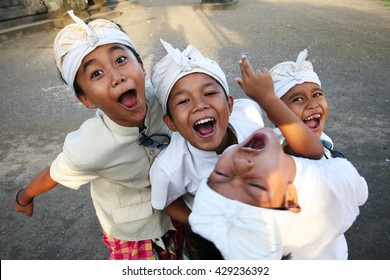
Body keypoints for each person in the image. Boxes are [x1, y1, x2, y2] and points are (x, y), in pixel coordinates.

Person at [13, 10, 179, 260]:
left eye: (120, 59)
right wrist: (24, 197)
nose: (116, 76)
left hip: (176, 214)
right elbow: (54, 173)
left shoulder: (167, 99)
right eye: (96, 74)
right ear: (85, 99)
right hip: (135, 234)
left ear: (142, 66)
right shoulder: (88, 146)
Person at [149, 40, 323, 258]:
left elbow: (314, 153)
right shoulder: (170, 167)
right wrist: (195, 221)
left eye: (210, 93)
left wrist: (267, 98)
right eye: (183, 101)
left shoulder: (249, 113)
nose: (199, 105)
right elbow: (164, 201)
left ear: (230, 105)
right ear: (171, 123)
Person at [189, 127, 368, 259]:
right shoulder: (338, 179)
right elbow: (362, 194)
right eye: (256, 185)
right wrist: (269, 99)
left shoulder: (234, 153)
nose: (241, 164)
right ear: (290, 196)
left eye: (221, 175)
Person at [269, 49, 344, 159]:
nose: (313, 105)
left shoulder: (334, 158)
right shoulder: (268, 165)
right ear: (275, 116)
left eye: (317, 95)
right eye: (298, 99)